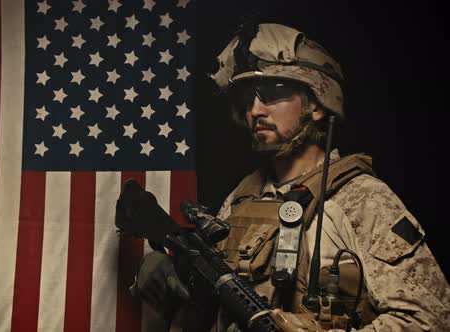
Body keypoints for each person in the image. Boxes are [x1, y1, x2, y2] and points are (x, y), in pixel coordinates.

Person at [134, 21, 450, 331]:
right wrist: (175, 278)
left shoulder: (361, 199)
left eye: (272, 92)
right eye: (247, 99)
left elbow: (428, 320)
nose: (255, 110)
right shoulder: (243, 197)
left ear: (317, 103)